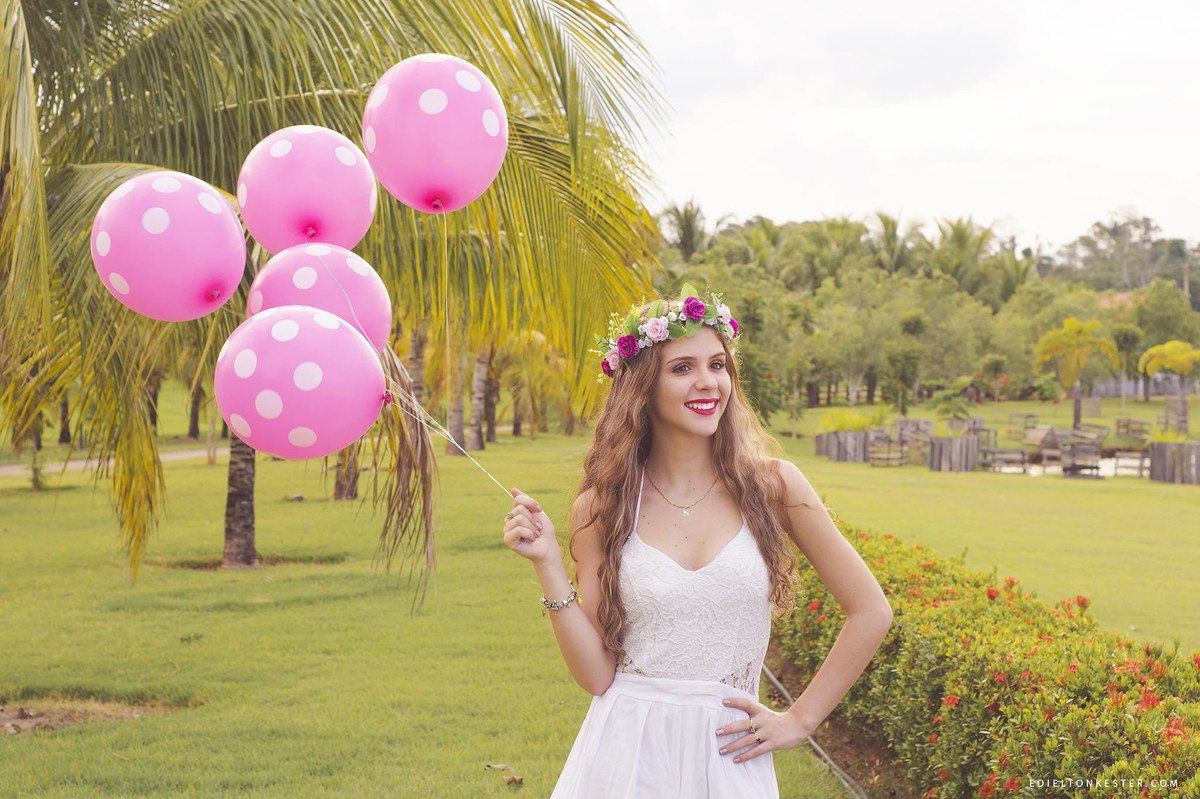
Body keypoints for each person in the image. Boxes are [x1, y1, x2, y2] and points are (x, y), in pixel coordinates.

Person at [502, 287, 893, 798]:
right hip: (624, 757)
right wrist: (549, 565)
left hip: (729, 757)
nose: (708, 381)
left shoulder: (775, 486)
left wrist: (800, 720)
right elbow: (597, 677)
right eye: (682, 367)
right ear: (643, 387)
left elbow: (871, 610)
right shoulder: (603, 507)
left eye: (717, 365)